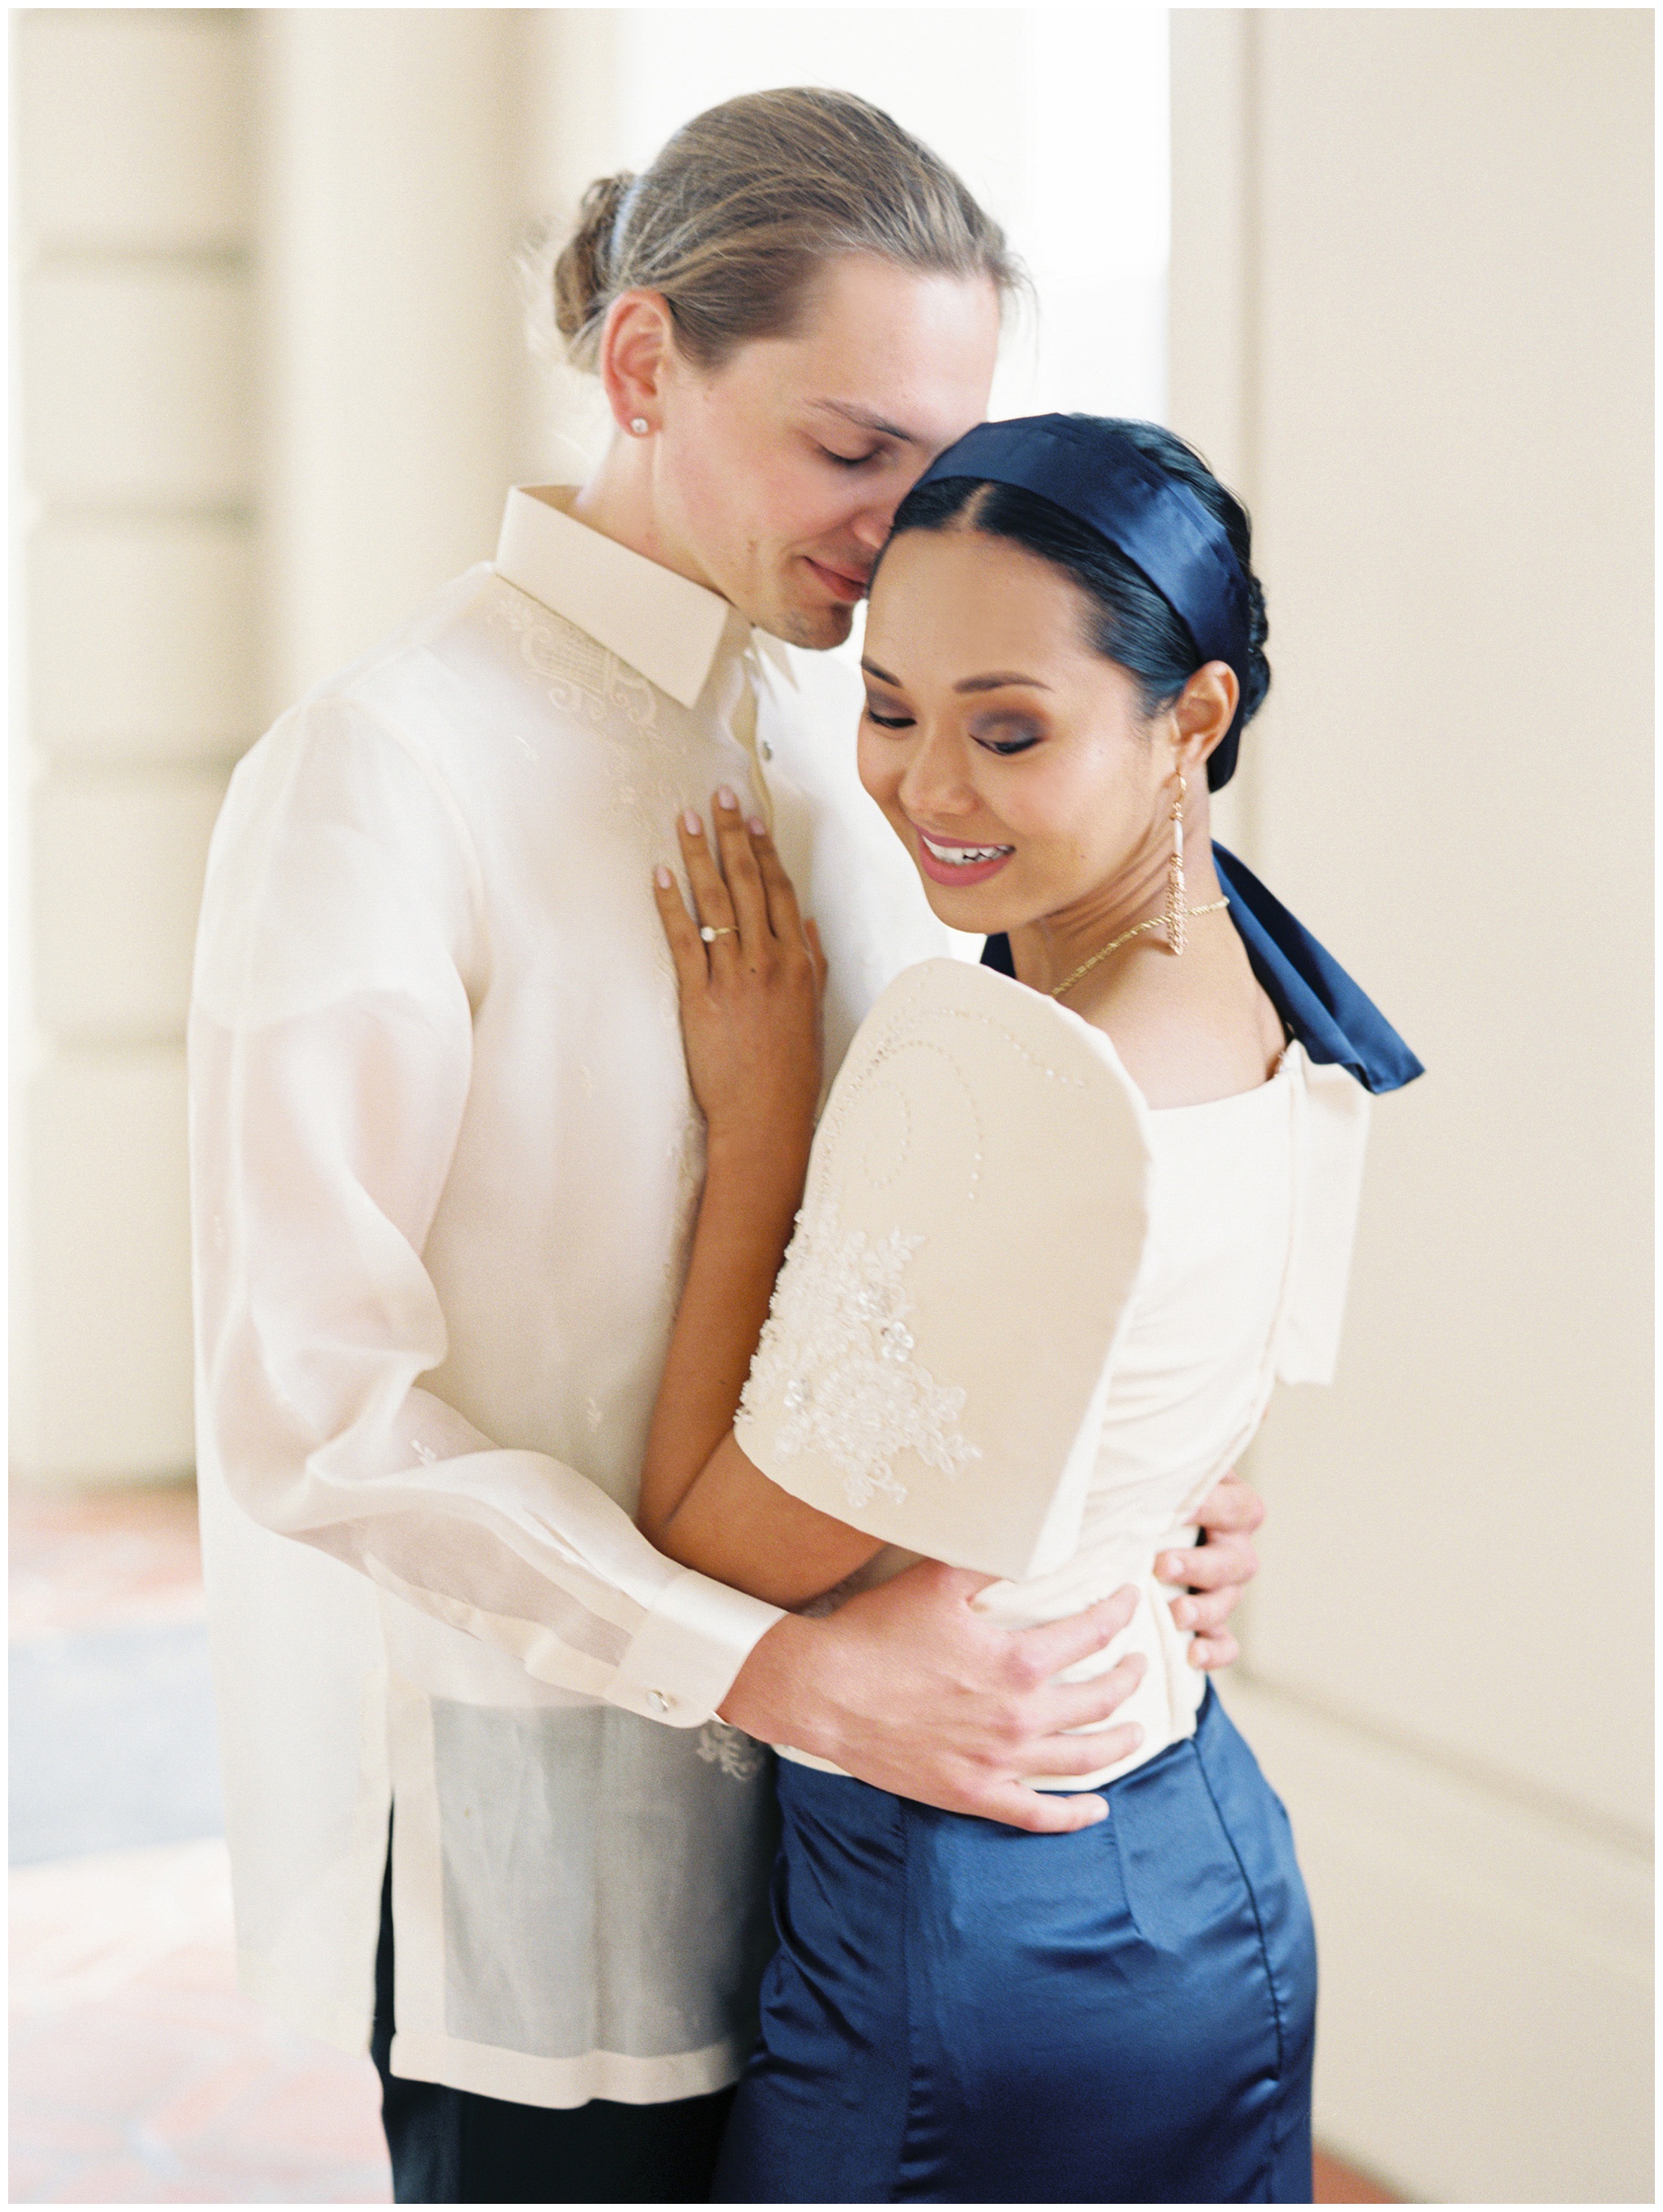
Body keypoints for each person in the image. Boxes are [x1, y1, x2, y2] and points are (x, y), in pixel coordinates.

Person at [189, 96, 1268, 2206]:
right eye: (849, 450)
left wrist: (1154, 1489)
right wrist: (777, 1666)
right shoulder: (383, 770)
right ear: (644, 364)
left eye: (936, 462)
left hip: (900, 1871)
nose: (899, 526)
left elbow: (994, 1211)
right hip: (573, 1869)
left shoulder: (882, 734)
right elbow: (305, 1411)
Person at [637, 413, 1423, 2202]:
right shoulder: (1263, 985)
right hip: (1203, 1860)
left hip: (974, 1914)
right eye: (892, 708)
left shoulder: (1012, 1080)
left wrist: (762, 1105)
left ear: (1191, 717)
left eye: (1008, 731)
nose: (925, 789)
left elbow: (716, 1540)